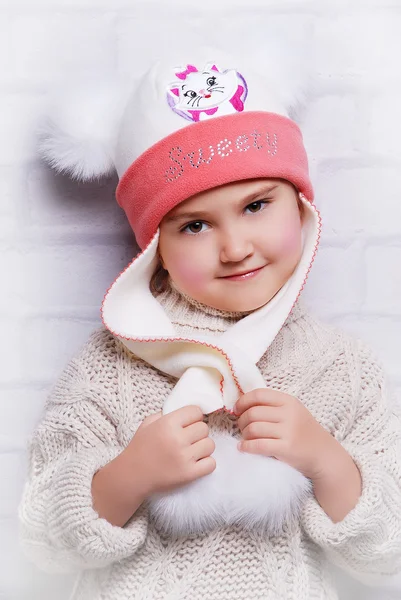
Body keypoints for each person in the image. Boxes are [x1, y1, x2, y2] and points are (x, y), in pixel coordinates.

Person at [18, 49, 401, 600]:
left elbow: (386, 553)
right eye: (195, 225)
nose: (236, 248)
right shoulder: (110, 367)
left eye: (256, 206)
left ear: (300, 205)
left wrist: (325, 459)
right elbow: (41, 540)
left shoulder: (343, 370)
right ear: (156, 248)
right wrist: (128, 477)